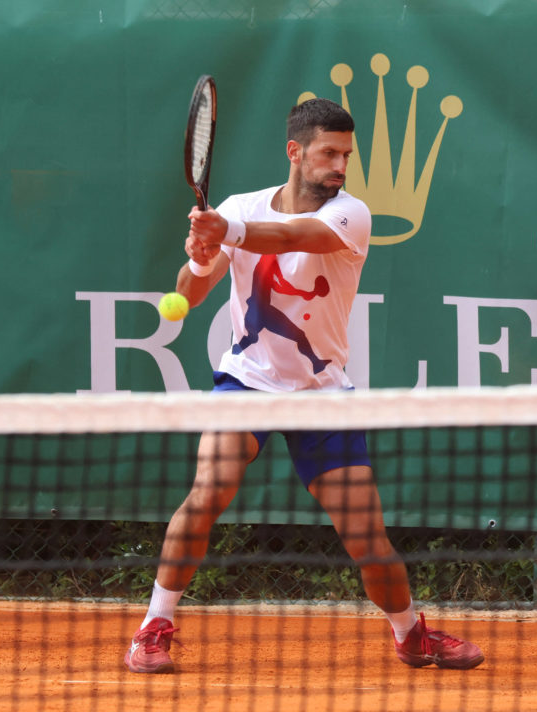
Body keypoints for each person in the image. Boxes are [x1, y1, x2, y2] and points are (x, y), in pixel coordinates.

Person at [124, 97, 483, 672]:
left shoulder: (351, 215)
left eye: (346, 154)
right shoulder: (241, 208)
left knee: (366, 534)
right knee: (208, 491)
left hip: (322, 394)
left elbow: (295, 237)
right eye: (328, 153)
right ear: (296, 152)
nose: (340, 164)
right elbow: (188, 296)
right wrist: (199, 258)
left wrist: (228, 229)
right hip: (246, 384)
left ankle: (410, 632)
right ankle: (153, 627)